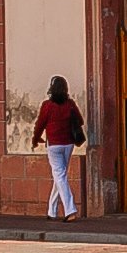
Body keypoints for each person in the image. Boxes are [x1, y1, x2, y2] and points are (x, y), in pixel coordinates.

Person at [31, 76, 85, 221]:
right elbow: (80, 120)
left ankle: (70, 210)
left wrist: (35, 139)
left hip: (54, 145)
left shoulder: (47, 105)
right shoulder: (70, 104)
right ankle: (52, 210)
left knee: (59, 176)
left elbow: (40, 124)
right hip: (68, 143)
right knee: (60, 176)